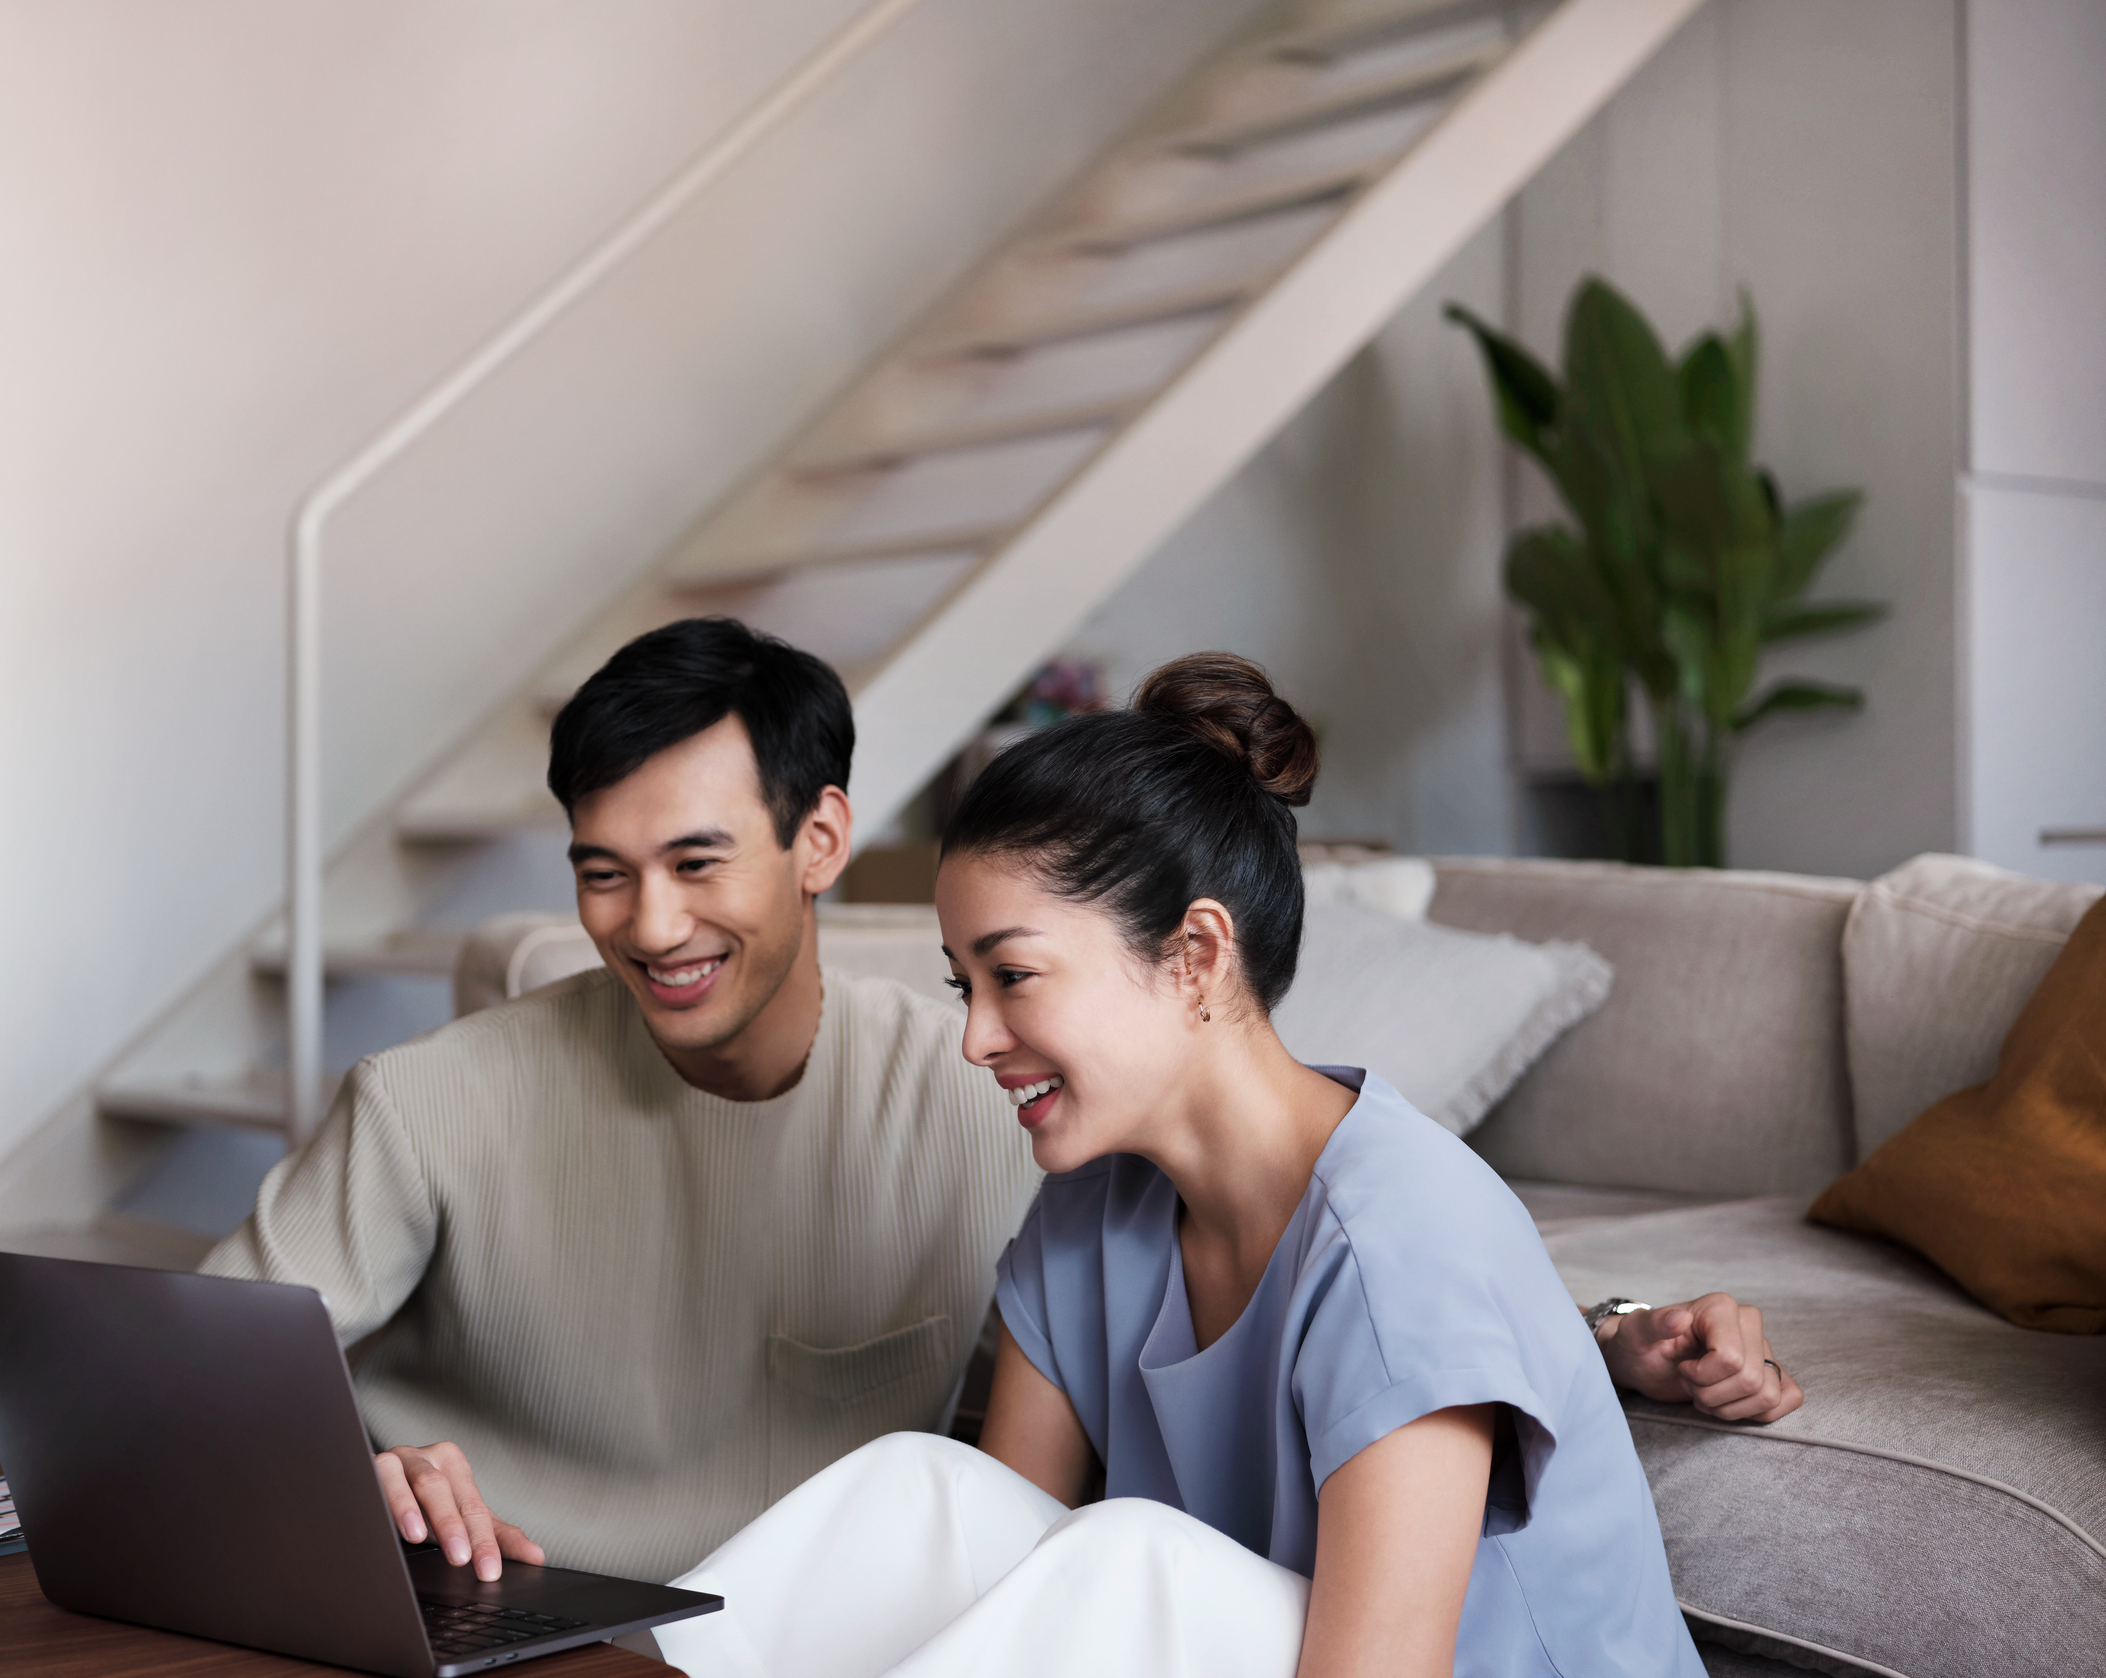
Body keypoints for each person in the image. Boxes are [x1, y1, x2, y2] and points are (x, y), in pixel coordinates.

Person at [201, 619, 1797, 1594]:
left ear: (820, 841)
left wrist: (1607, 1335)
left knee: (1111, 1552)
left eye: (698, 863)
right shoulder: (1075, 1182)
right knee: (969, 1509)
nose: (651, 923)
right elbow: (164, 1401)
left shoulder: (1038, 1125)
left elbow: (1387, 1284)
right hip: (541, 1608)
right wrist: (331, 1472)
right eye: (603, 875)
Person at [652, 653, 1765, 1678]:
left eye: (1015, 977)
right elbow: (990, 1587)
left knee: (1132, 1553)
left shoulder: (1403, 1239)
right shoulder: (1088, 1213)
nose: (976, 1038)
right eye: (963, 986)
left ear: (1194, 956)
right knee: (927, 1489)